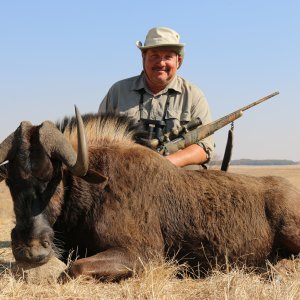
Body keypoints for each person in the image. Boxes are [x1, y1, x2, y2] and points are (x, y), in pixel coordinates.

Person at [98, 27, 215, 169]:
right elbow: (98, 140)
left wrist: (162, 165)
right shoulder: (118, 91)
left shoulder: (194, 95)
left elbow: (204, 147)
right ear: (143, 57)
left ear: (178, 60)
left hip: (178, 178)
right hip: (125, 173)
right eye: (154, 56)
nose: (161, 63)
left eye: (168, 57)